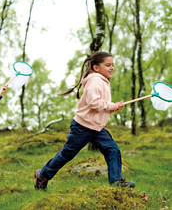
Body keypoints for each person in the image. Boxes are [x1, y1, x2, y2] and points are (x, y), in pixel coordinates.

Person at [34, 51, 135, 190]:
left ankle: (117, 182)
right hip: (82, 127)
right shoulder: (95, 80)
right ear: (96, 67)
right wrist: (110, 106)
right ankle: (43, 175)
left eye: (113, 65)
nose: (112, 67)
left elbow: (99, 105)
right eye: (108, 65)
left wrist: (113, 108)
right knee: (67, 154)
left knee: (112, 149)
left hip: (97, 128)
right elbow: (93, 102)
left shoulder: (103, 81)